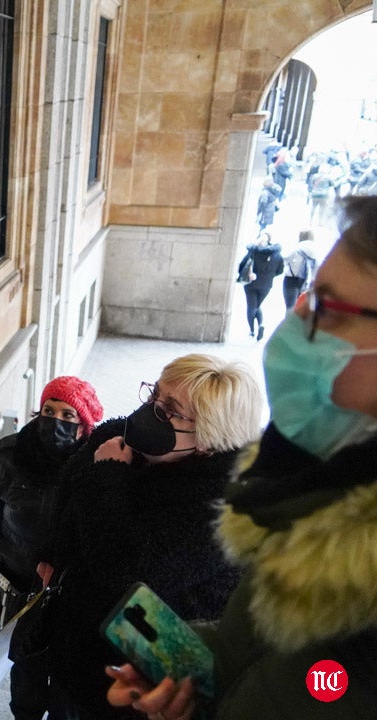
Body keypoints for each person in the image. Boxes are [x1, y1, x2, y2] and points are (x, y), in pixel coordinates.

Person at [106, 196, 377, 719]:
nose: (294, 324)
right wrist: (188, 678)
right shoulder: (301, 487)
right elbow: (257, 651)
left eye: (326, 307)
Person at [43, 354, 263, 719]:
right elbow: (70, 490)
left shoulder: (222, 512)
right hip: (75, 655)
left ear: (209, 439)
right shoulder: (129, 442)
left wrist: (110, 473)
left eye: (169, 411)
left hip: (135, 689)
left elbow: (119, 567)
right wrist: (52, 550)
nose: (149, 414)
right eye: (154, 397)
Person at [0, 376, 103, 720]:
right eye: (49, 410)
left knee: (68, 688)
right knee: (26, 681)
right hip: (20, 591)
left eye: (68, 416)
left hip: (72, 597)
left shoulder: (97, 467)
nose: (55, 422)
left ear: (84, 426)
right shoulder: (11, 457)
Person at [238, 231, 284, 340]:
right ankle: (261, 324)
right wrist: (269, 276)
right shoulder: (276, 254)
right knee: (257, 306)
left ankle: (252, 330)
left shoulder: (253, 251)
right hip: (266, 284)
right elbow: (280, 270)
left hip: (251, 283)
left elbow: (242, 265)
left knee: (251, 307)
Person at [282, 229, 317, 311]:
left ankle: (289, 323)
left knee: (290, 307)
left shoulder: (297, 247)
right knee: (301, 308)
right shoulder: (315, 249)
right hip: (307, 282)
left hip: (291, 279)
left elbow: (285, 258)